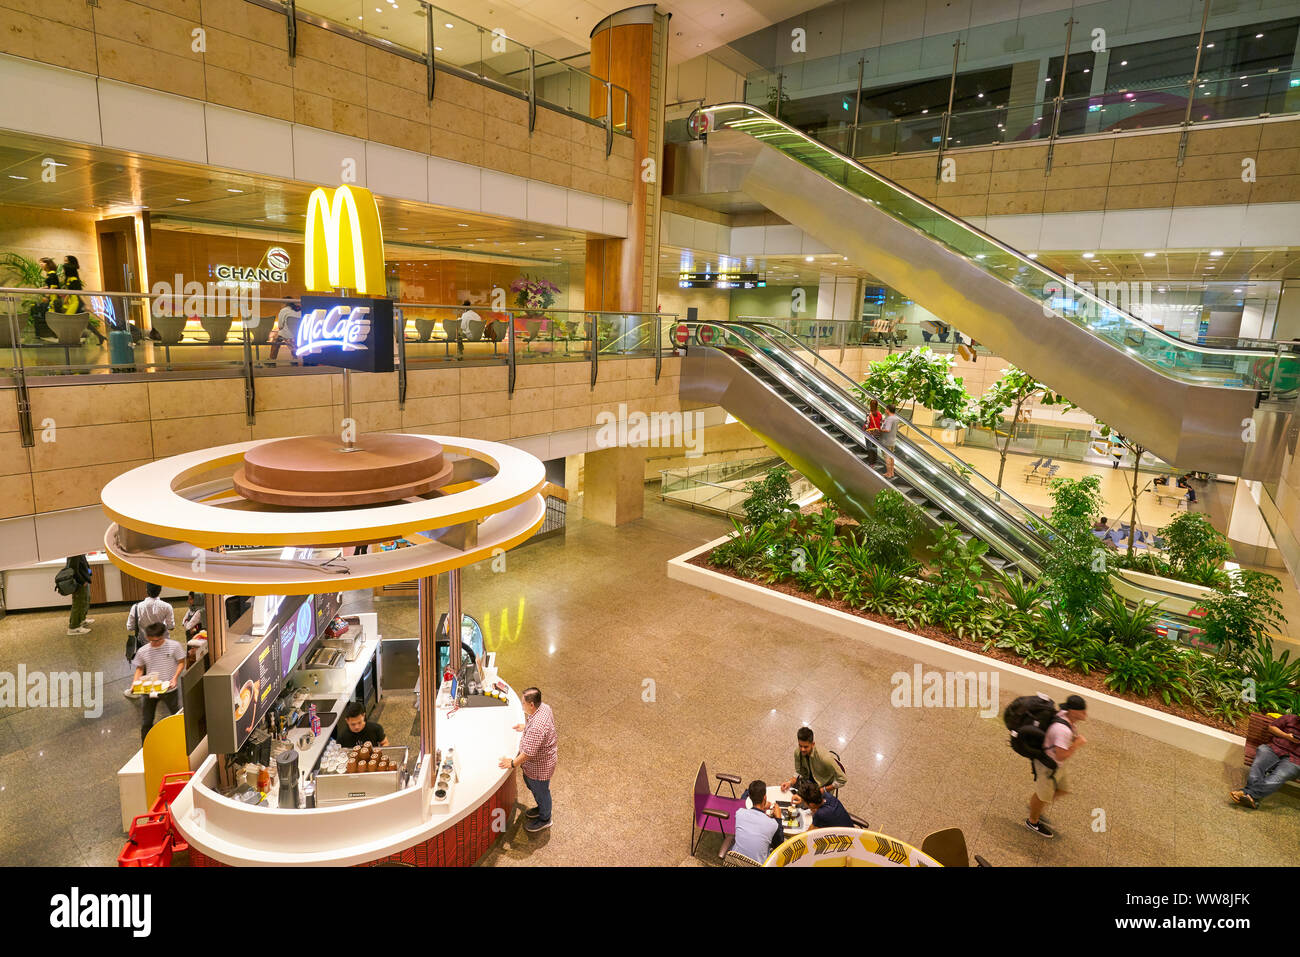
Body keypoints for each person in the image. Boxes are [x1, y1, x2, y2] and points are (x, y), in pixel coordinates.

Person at [1026, 694, 1087, 838]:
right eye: (1082, 711)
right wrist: (1077, 744)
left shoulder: (1066, 717)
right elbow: (1061, 755)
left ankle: (1036, 807)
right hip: (1048, 766)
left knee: (1063, 789)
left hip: (1057, 766)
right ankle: (1032, 821)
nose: (1085, 714)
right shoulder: (1063, 730)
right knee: (1043, 796)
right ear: (1073, 711)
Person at [499, 686, 557, 832]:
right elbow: (544, 727)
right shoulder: (544, 708)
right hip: (545, 761)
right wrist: (526, 727)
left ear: (531, 704)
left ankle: (545, 818)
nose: (521, 705)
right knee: (539, 791)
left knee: (541, 792)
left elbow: (528, 754)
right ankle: (542, 808)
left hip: (539, 768)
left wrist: (512, 763)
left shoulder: (536, 728)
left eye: (523, 703)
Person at [1231, 712, 1300, 808]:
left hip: (1295, 759)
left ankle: (1246, 793)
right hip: (1274, 749)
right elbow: (1271, 727)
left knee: (1280, 775)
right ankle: (1252, 797)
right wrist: (1286, 736)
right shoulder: (1290, 718)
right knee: (1259, 764)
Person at [132, 622, 186, 743]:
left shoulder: (174, 646)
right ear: (147, 637)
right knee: (146, 721)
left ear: (164, 635)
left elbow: (181, 662)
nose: (155, 643)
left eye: (158, 640)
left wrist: (175, 677)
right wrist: (135, 682)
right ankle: (145, 747)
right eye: (152, 641)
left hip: (169, 689)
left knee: (176, 716)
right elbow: (140, 668)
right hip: (149, 691)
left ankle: (182, 741)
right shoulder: (143, 651)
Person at [780, 726, 846, 794]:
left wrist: (823, 790)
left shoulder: (824, 758)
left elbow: (842, 779)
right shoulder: (797, 752)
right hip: (808, 782)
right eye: (800, 746)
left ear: (813, 744)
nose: (802, 749)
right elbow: (798, 771)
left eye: (806, 747)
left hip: (823, 787)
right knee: (790, 797)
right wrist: (789, 783)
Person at [732, 779, 784, 862]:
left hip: (734, 861)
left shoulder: (739, 813)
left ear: (749, 797)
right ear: (765, 798)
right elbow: (779, 846)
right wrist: (778, 818)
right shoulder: (772, 824)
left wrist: (762, 806)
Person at [61, 255, 106, 344]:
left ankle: (79, 337)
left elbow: (79, 293)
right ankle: (99, 336)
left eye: (66, 261)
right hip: (73, 302)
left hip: (77, 303)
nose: (64, 264)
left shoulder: (74, 279)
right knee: (84, 322)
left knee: (73, 320)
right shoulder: (70, 279)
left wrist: (86, 304)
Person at [64, 554, 94, 636]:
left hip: (84, 579)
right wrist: (82, 581)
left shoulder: (79, 551)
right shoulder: (74, 553)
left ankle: (81, 619)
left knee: (85, 600)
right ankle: (74, 627)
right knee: (79, 603)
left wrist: (88, 574)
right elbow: (73, 570)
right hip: (80, 582)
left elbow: (84, 564)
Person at [879, 403, 904, 479]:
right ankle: (892, 472)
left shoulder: (889, 418)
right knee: (891, 457)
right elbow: (896, 429)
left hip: (886, 440)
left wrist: (880, 429)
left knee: (887, 457)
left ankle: (888, 473)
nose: (885, 410)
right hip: (893, 440)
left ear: (888, 410)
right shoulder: (896, 418)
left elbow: (887, 429)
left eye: (886, 409)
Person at [862, 398, 883, 466]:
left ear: (870, 405)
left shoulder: (869, 414)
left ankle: (871, 463)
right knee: (875, 447)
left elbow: (867, 424)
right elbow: (881, 424)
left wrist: (863, 428)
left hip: (869, 433)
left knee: (869, 447)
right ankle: (875, 461)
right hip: (877, 433)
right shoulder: (880, 414)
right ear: (877, 405)